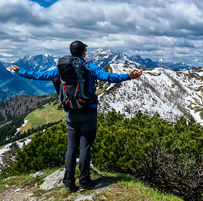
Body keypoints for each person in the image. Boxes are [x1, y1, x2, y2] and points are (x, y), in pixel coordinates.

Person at [11, 40, 142, 192]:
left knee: (71, 148)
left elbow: (40, 75)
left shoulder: (62, 68)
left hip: (71, 113)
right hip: (88, 111)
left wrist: (20, 71)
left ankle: (68, 183)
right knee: (85, 147)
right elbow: (107, 77)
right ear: (83, 52)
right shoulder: (89, 66)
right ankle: (85, 182)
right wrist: (128, 76)